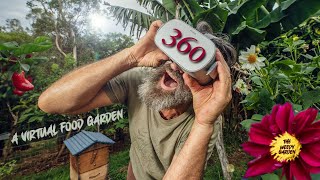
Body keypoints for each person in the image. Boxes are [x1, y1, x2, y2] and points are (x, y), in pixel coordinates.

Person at [38, 20, 236, 179]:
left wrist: (203, 122)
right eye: (178, 56)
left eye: (192, 66)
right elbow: (50, 103)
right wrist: (132, 56)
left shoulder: (203, 121)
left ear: (210, 83)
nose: (175, 67)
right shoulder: (141, 80)